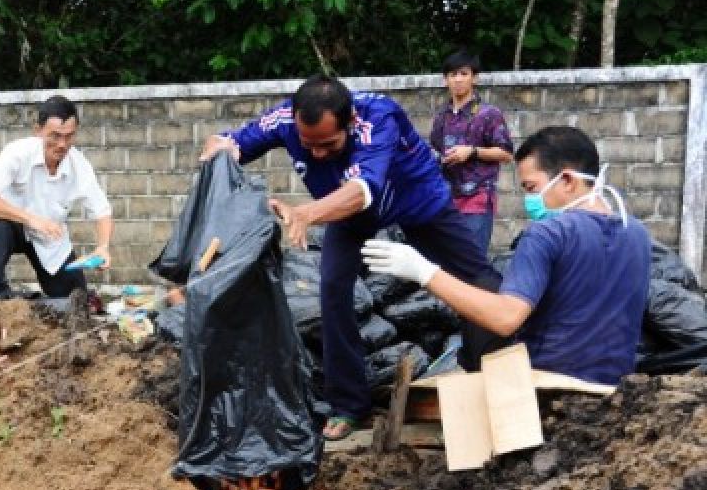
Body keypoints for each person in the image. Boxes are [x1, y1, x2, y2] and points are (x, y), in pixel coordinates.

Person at [202, 75, 501, 440]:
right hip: (345, 213)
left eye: (328, 144)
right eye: (307, 145)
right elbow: (234, 144)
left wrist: (306, 213)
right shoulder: (283, 117)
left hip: (417, 202)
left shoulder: (378, 117)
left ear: (349, 122)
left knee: (478, 281)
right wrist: (221, 149)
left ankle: (491, 374)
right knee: (332, 289)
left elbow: (362, 190)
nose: (316, 154)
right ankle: (348, 405)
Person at [362, 126, 650, 386]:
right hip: (616, 390)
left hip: (549, 389)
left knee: (483, 302)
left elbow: (505, 319)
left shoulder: (548, 233)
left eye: (531, 188)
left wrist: (424, 272)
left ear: (567, 181)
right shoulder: (637, 233)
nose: (529, 200)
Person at [0, 95, 113, 301]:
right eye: (55, 136)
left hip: (50, 237)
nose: (62, 145)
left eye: (69, 136)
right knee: (0, 229)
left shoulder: (79, 164)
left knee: (76, 300)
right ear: (38, 130)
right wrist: (31, 219)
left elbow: (102, 211)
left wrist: (103, 247)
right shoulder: (18, 152)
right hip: (14, 224)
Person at [429, 50, 514, 255]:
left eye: (463, 73)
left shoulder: (488, 114)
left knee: (472, 261)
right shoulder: (442, 116)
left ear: (474, 77)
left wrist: (473, 152)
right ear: (445, 80)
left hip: (477, 198)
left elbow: (506, 154)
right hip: (446, 200)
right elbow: (435, 151)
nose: (458, 79)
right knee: (447, 262)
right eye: (452, 74)